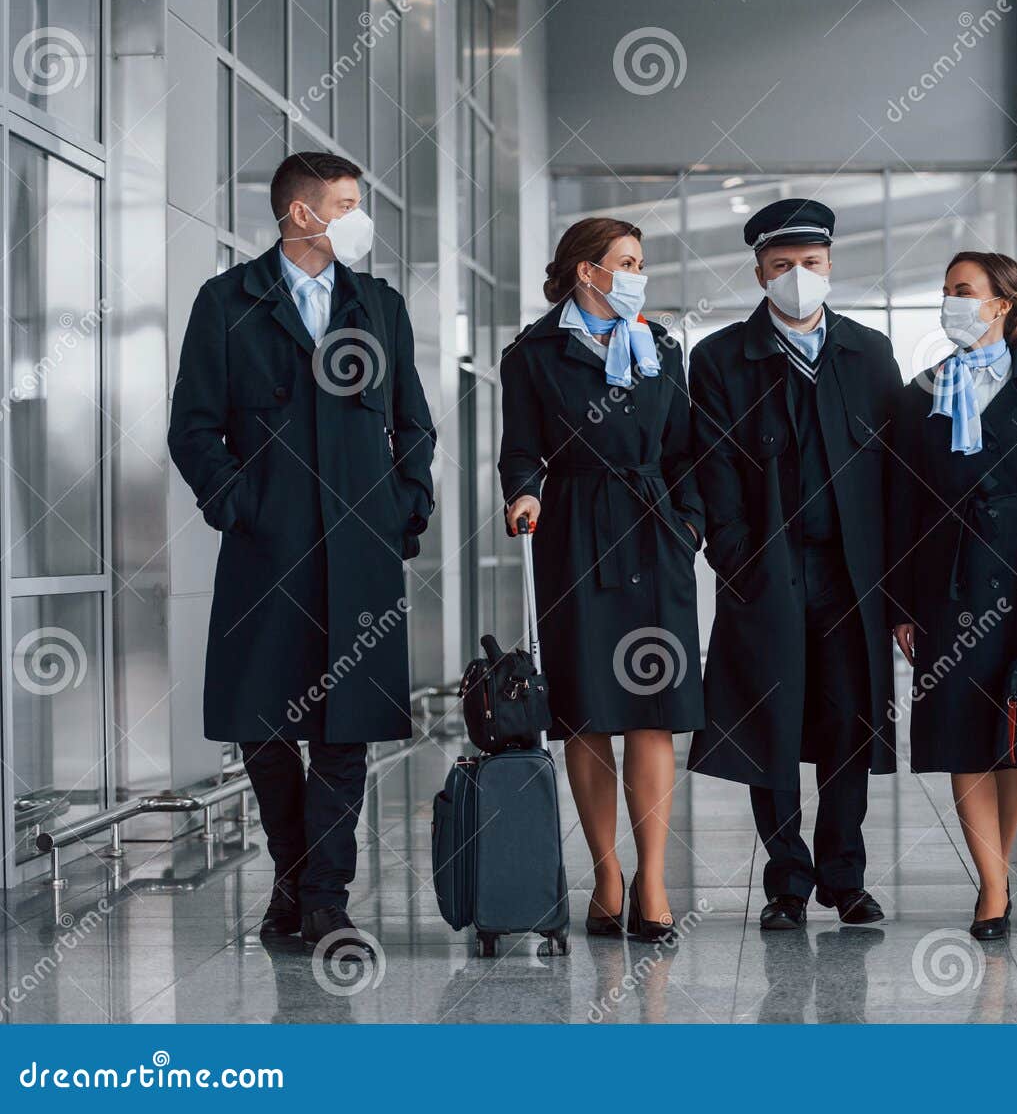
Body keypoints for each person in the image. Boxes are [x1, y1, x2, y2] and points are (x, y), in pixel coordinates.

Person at [168, 152, 436, 954]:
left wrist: (401, 509)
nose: (359, 217)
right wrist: (240, 505)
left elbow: (415, 422)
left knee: (343, 729)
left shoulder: (379, 305)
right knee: (264, 723)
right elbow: (192, 427)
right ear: (300, 215)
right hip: (268, 551)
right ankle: (296, 878)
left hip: (360, 550)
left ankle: (323, 898)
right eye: (347, 204)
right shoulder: (228, 303)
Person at [686, 198, 901, 930]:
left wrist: (896, 582)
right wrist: (736, 557)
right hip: (766, 570)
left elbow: (897, 471)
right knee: (770, 722)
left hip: (850, 574)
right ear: (758, 273)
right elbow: (712, 468)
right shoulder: (718, 358)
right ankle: (787, 880)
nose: (798, 277)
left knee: (849, 721)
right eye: (782, 266)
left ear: (831, 265)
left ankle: (846, 876)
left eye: (810, 264)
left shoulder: (870, 353)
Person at [500, 217, 705, 944]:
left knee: (654, 709)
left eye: (640, 262)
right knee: (586, 710)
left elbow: (686, 450)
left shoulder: (660, 347)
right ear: (586, 271)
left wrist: (689, 525)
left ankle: (651, 877)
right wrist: (524, 491)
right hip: (576, 533)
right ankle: (606, 872)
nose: (637, 274)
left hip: (655, 531)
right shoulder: (531, 354)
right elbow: (520, 448)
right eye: (625, 262)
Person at [888, 251, 1017, 940]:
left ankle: (996, 868)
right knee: (963, 732)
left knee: (1012, 734)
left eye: (962, 291)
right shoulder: (921, 393)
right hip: (947, 579)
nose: (950, 302)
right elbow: (902, 503)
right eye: (945, 292)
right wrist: (901, 603)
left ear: (1002, 304)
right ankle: (993, 885)